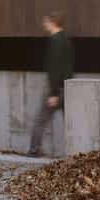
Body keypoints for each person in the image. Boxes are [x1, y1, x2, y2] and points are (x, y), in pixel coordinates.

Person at [28, 11, 74, 157]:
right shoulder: (66, 40)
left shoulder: (55, 41)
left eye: (46, 20)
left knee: (40, 120)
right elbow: (67, 67)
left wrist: (53, 93)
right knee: (70, 122)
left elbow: (55, 68)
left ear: (53, 22)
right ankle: (75, 151)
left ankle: (34, 149)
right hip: (67, 87)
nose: (44, 23)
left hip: (56, 89)